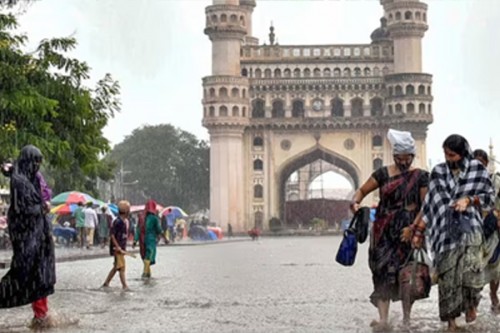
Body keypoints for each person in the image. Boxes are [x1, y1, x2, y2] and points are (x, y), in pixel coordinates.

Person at [412, 135, 494, 332]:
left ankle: (471, 305)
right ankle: (451, 324)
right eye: (446, 154)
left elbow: (489, 199)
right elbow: (431, 204)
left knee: (471, 275)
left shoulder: (477, 170)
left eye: (452, 155)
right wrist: (419, 231)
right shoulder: (438, 172)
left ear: (463, 153)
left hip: (470, 230)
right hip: (445, 234)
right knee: (448, 279)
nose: (448, 158)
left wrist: (469, 200)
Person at [350, 129, 429, 330]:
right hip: (383, 232)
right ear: (394, 156)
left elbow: (425, 207)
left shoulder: (420, 177)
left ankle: (406, 318)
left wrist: (413, 229)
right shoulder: (382, 174)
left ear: (412, 157)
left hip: (407, 230)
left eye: (407, 159)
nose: (404, 163)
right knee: (382, 272)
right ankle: (384, 319)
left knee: (407, 275)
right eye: (400, 159)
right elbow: (361, 191)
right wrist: (355, 203)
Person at [0, 145, 57, 328]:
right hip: (27, 238)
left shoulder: (29, 178)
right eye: (35, 162)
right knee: (26, 273)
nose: (38, 167)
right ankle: (40, 317)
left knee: (40, 276)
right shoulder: (20, 182)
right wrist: (42, 208)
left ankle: (41, 317)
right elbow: (22, 209)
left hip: (38, 237)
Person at [472, 149, 500, 313]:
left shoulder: (495, 180)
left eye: (481, 164)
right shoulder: (467, 182)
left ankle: (493, 294)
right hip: (475, 229)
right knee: (476, 265)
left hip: (493, 231)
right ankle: (474, 300)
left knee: (495, 265)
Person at [102, 200, 131, 291]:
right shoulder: (117, 221)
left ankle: (106, 283)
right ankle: (125, 286)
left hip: (120, 248)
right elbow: (112, 235)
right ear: (126, 211)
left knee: (116, 267)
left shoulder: (123, 221)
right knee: (121, 267)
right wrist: (117, 247)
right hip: (117, 248)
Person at [133, 199, 163, 279]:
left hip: (142, 241)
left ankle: (148, 274)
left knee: (145, 256)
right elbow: (159, 230)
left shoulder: (141, 217)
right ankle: (145, 273)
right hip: (151, 240)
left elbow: (138, 229)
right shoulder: (154, 218)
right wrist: (165, 237)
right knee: (148, 256)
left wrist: (135, 240)